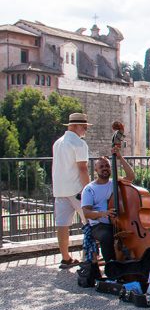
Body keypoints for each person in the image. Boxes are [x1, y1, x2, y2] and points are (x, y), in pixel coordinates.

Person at [80, 145, 135, 262]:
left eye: (107, 166)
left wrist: (120, 157)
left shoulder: (115, 183)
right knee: (107, 236)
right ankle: (112, 267)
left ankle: (133, 264)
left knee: (132, 233)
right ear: (96, 170)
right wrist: (103, 213)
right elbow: (86, 212)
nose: (105, 168)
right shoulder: (89, 188)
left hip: (119, 222)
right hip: (99, 225)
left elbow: (131, 176)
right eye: (101, 166)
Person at [52, 112, 91, 269]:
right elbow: (82, 169)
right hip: (76, 190)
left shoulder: (58, 143)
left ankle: (66, 258)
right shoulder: (79, 144)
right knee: (90, 222)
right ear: (76, 126)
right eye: (84, 127)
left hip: (60, 189)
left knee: (62, 224)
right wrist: (88, 190)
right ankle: (89, 256)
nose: (86, 130)